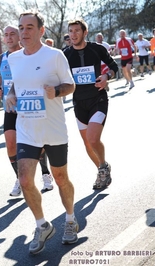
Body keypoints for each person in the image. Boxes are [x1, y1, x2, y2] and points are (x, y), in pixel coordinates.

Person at [6, 11, 78, 254]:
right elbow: (18, 81)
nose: (23, 33)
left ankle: (70, 219)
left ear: (41, 30)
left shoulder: (54, 55)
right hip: (27, 129)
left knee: (60, 178)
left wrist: (56, 91)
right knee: (25, 180)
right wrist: (11, 94)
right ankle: (42, 225)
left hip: (53, 128)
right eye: (21, 28)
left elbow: (70, 85)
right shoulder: (13, 59)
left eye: (29, 28)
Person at [0, 25, 54, 197]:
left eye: (12, 34)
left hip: (29, 103)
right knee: (10, 144)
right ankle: (20, 179)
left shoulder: (28, 54)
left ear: (20, 36)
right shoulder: (1, 58)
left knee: (37, 143)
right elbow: (3, 78)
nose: (9, 38)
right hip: (10, 107)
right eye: (6, 35)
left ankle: (45, 173)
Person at [64, 19, 118, 190]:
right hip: (79, 103)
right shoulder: (65, 55)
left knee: (93, 138)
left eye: (77, 31)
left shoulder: (97, 49)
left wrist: (106, 77)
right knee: (87, 144)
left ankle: (102, 166)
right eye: (71, 31)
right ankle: (103, 170)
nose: (73, 34)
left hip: (98, 99)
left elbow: (113, 67)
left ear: (85, 32)